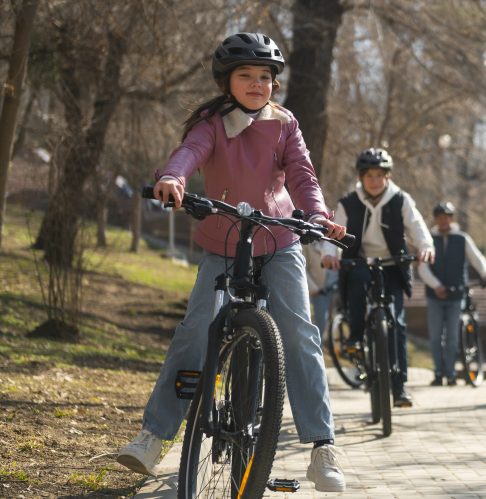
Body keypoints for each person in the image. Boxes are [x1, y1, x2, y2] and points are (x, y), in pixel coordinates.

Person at [116, 32, 347, 493]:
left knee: (300, 332)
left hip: (278, 237)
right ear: (227, 82)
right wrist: (171, 178)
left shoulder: (284, 123)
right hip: (222, 240)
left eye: (266, 77)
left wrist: (318, 214)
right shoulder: (211, 121)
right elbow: (190, 153)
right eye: (247, 76)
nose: (258, 84)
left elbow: (302, 173)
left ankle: (322, 447)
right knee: (195, 328)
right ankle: (153, 436)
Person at [321, 147, 434, 407]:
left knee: (397, 321)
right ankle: (356, 338)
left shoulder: (400, 199)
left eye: (380, 175)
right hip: (359, 260)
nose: (374, 181)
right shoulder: (348, 202)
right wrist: (329, 254)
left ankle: (400, 387)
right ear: (361, 177)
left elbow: (417, 226)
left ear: (388, 176)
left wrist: (426, 245)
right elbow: (335, 234)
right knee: (358, 284)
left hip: (392, 263)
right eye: (369, 175)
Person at [417, 201, 486, 386]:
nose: (443, 221)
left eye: (447, 217)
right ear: (436, 219)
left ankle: (451, 373)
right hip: (434, 295)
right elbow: (423, 268)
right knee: (436, 336)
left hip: (456, 294)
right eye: (440, 217)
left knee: (453, 336)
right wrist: (436, 285)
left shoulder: (462, 239)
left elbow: (477, 258)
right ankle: (438, 373)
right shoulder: (429, 239)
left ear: (451, 219)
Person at [303, 240, 338, 336]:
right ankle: (320, 347)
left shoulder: (334, 241)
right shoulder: (306, 243)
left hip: (335, 287)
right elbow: (303, 269)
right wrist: (313, 289)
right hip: (319, 291)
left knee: (336, 321)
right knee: (320, 323)